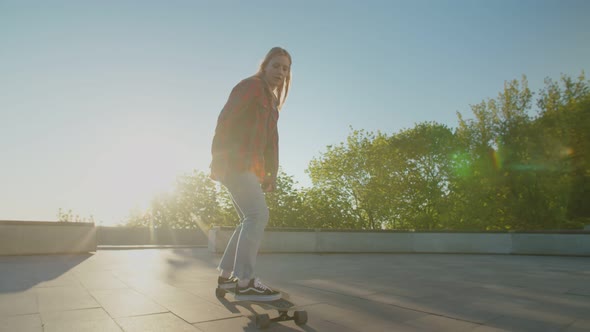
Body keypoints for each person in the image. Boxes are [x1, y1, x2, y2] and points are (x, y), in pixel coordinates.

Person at [210, 47, 292, 301]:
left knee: (249, 218)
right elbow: (225, 120)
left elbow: (271, 143)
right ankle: (245, 282)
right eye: (276, 65)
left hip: (248, 167)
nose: (280, 72)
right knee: (257, 216)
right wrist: (220, 160)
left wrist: (271, 174)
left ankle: (226, 277)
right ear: (265, 66)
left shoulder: (272, 102)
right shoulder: (251, 87)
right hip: (235, 163)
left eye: (285, 68)